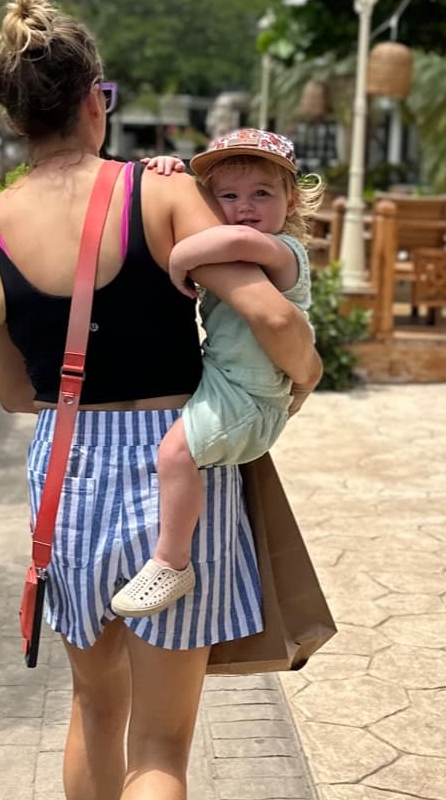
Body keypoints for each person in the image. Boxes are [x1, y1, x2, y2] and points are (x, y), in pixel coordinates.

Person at [0, 0, 321, 800]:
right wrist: (303, 364)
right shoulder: (160, 191)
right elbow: (263, 310)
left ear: (11, 115)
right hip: (173, 464)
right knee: (163, 744)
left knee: (91, 712)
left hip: (64, 471)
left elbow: (13, 390)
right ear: (95, 96)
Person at [110, 131, 317, 620]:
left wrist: (181, 258)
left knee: (174, 454)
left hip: (251, 396)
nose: (245, 207)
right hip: (229, 380)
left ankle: (171, 561)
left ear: (290, 200)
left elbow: (239, 238)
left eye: (262, 194)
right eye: (228, 195)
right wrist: (172, 173)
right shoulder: (240, 252)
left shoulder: (284, 250)